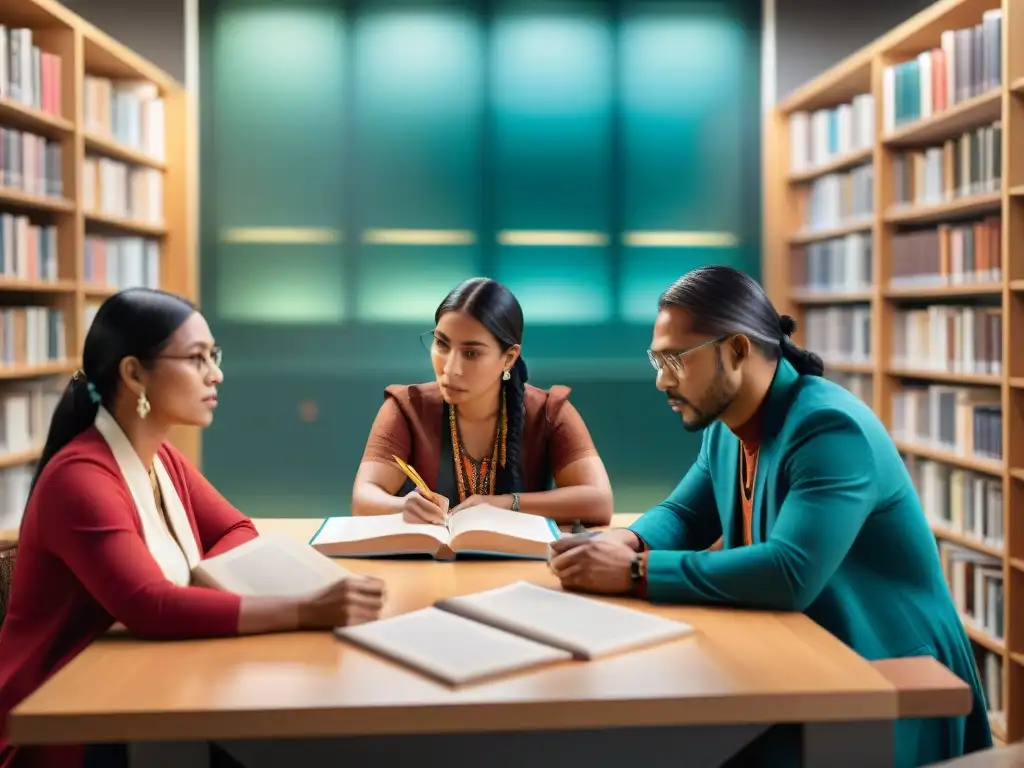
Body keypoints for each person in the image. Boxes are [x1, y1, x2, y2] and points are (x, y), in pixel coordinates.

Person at [548, 266, 992, 767]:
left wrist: (633, 573)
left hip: (883, 669)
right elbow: (683, 513)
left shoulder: (829, 429)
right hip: (802, 651)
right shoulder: (728, 423)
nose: (661, 380)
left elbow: (790, 571)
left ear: (736, 350)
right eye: (657, 358)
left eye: (675, 359)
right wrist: (626, 543)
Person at [0, 288, 385, 768]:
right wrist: (306, 609)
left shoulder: (158, 455)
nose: (216, 373)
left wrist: (194, 593)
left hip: (144, 683)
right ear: (134, 373)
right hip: (67, 722)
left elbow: (236, 529)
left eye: (214, 356)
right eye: (196, 358)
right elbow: (152, 606)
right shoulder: (80, 480)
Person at [352, 277, 613, 526]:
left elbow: (599, 501)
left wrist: (503, 504)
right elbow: (364, 497)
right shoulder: (406, 407)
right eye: (442, 344)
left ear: (509, 358)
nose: (451, 368)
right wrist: (400, 507)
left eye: (471, 353)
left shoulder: (548, 411)